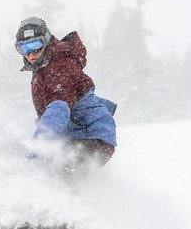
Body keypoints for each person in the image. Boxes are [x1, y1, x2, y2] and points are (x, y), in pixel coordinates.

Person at [14, 16, 117, 172]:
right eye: (23, 48)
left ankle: (61, 195)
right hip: (78, 136)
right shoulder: (44, 68)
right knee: (54, 168)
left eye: (36, 45)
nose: (31, 53)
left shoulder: (59, 66)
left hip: (92, 137)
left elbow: (58, 110)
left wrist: (37, 149)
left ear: (46, 41)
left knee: (58, 170)